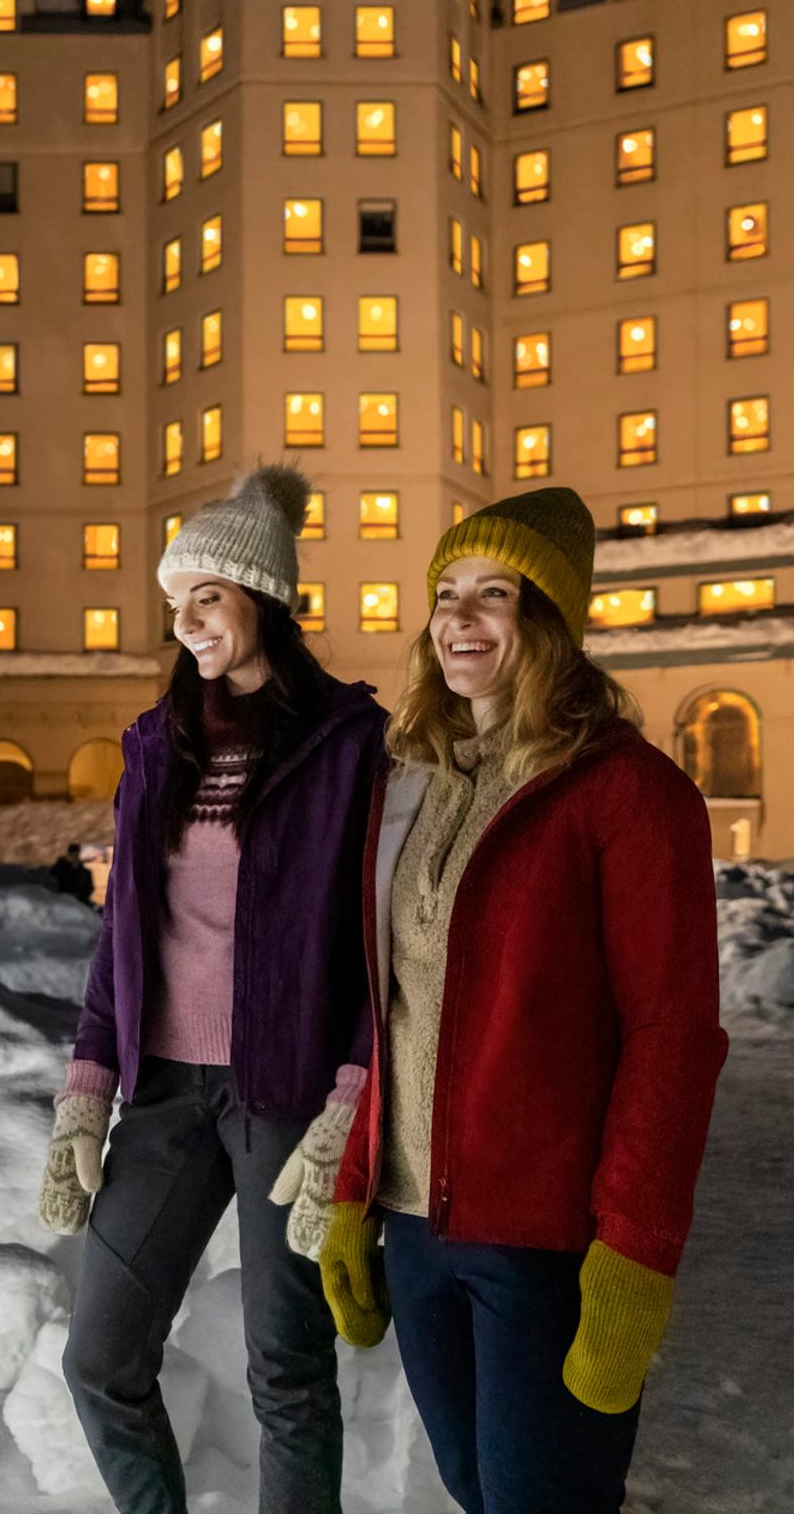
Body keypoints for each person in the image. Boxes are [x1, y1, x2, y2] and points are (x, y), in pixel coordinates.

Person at [320, 488, 728, 1514]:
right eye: (446, 593)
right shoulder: (415, 782)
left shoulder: (628, 794)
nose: (459, 618)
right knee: (471, 1485)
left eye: (494, 594)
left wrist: (635, 1254)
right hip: (416, 1228)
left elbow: (671, 1036)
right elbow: (401, 1010)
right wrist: (352, 1189)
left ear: (548, 620)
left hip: (547, 1242)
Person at [39, 463, 386, 1514]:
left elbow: (377, 943)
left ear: (266, 599)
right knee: (99, 1358)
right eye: (176, 603)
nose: (188, 623)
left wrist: (350, 1099)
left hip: (284, 1096)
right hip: (163, 1093)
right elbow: (125, 938)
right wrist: (87, 1092)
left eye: (210, 599)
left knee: (287, 1373)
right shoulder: (154, 748)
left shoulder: (348, 746)